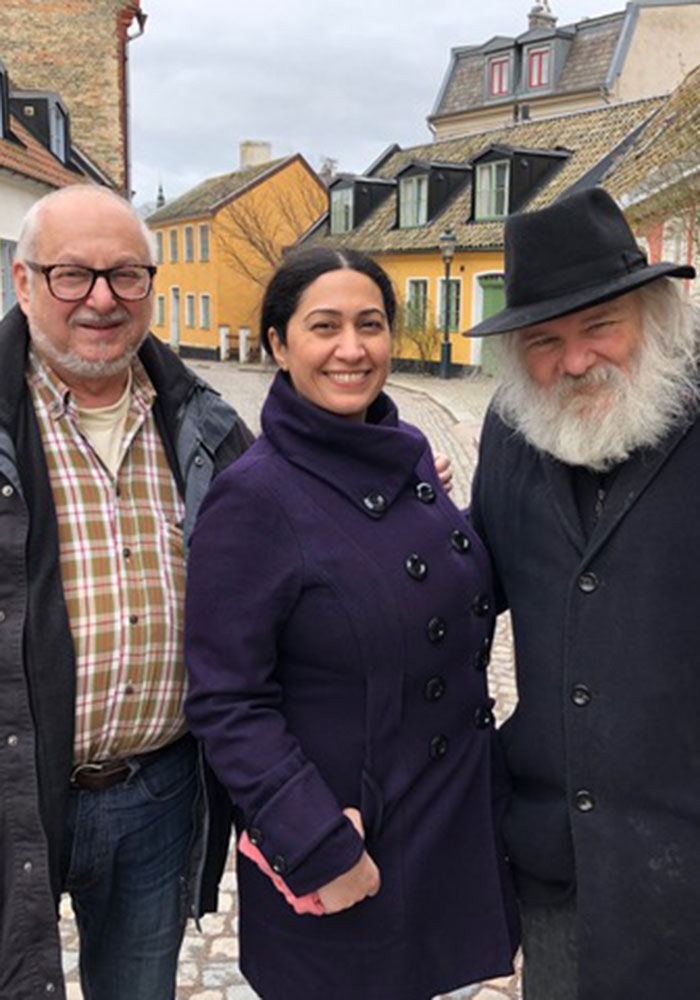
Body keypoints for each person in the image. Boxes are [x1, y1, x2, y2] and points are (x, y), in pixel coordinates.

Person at [184, 246, 519, 1000]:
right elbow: (226, 698)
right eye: (324, 326)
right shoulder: (254, 498)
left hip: (448, 823)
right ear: (279, 344)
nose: (352, 348)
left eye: (370, 324)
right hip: (351, 841)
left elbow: (443, 594)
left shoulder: (408, 459)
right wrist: (315, 843)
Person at [0, 183, 253, 1000]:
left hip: (157, 795)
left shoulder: (205, 425)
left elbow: (290, 546)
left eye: (126, 275)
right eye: (72, 274)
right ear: (24, 281)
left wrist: (394, 478)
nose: (103, 299)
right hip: (13, 794)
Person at [467, 186, 699, 1000]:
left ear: (653, 315)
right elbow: (471, 590)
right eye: (544, 340)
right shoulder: (512, 432)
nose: (573, 362)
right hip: (559, 865)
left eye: (600, 326)